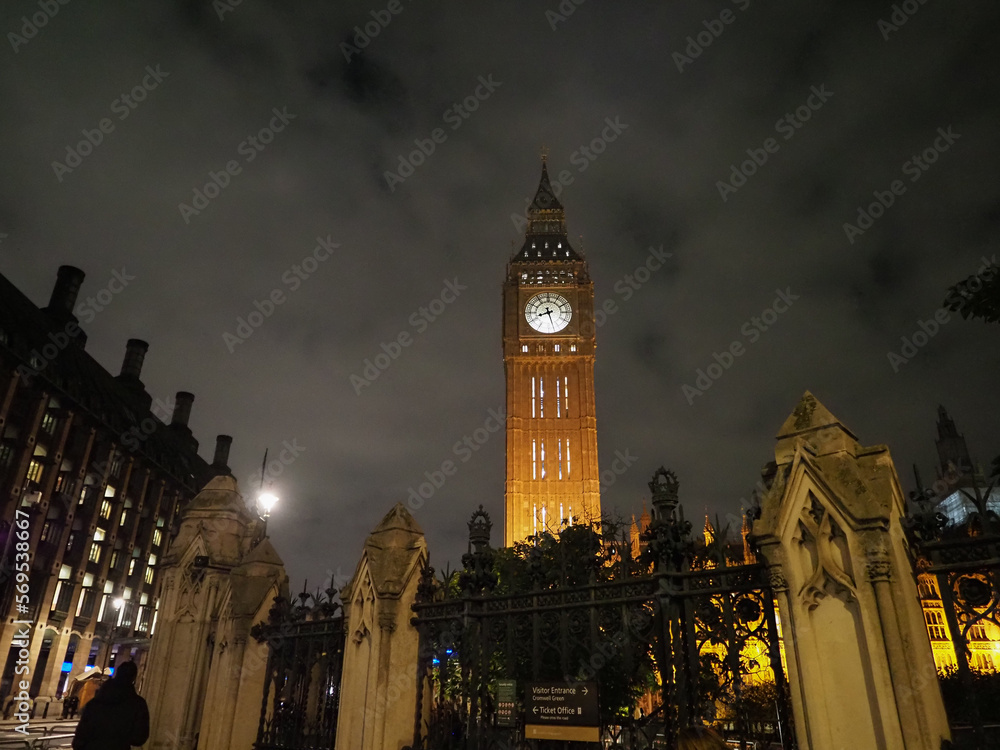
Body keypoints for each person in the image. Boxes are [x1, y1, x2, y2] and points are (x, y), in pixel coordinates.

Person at [72, 662, 149, 750]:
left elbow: (81, 733)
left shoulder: (97, 701)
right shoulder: (138, 704)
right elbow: (139, 738)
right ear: (134, 678)